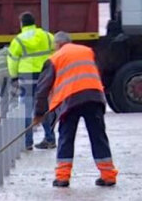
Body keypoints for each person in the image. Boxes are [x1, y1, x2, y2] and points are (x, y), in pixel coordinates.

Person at [34, 32, 118, 188]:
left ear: (58, 45)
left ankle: (62, 178)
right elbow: (97, 72)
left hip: (70, 101)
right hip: (94, 97)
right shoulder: (88, 51)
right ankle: (108, 176)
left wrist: (39, 113)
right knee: (98, 136)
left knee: (66, 137)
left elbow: (42, 89)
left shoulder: (55, 58)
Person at [7, 12, 55, 150]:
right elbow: (56, 52)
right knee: (44, 107)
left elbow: (12, 60)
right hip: (44, 75)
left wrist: (14, 76)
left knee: (26, 109)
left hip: (26, 76)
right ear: (34, 22)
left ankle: (27, 142)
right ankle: (50, 139)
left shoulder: (18, 40)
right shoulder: (47, 36)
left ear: (22, 24)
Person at [0, 46, 12, 118]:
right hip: (8, 72)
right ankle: (12, 118)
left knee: (3, 96)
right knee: (13, 97)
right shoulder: (13, 50)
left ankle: (3, 117)